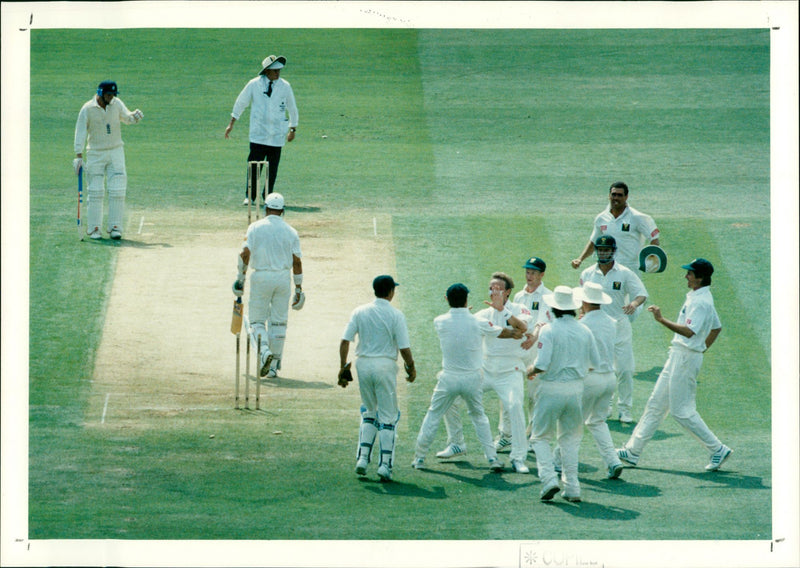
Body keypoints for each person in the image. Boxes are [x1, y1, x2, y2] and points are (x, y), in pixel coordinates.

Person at [617, 258, 732, 472]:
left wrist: (662, 320)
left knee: (681, 411)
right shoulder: (699, 297)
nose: (686, 276)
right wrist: (701, 348)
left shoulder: (701, 302)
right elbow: (716, 328)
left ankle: (717, 448)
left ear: (700, 277)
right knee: (655, 404)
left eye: (690, 273)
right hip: (681, 355)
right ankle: (633, 451)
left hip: (685, 357)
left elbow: (690, 332)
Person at [412, 283, 523, 473]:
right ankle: (492, 458)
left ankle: (419, 458)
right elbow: (510, 332)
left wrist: (464, 314)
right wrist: (523, 332)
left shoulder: (439, 321)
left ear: (447, 300)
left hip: (449, 378)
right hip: (472, 379)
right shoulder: (478, 322)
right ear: (466, 300)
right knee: (479, 417)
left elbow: (458, 323)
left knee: (433, 414)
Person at [437, 272, 532, 474]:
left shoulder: (519, 309)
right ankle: (456, 443)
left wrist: (503, 310)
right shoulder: (480, 315)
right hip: (485, 370)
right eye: (491, 288)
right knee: (449, 397)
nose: (493, 291)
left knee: (514, 406)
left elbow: (523, 329)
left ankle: (518, 458)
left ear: (507, 292)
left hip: (510, 370)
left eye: (497, 288)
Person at [339, 275, 416, 482]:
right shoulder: (396, 315)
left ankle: (363, 459)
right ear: (390, 291)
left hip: (363, 364)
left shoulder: (359, 311)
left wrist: (342, 367)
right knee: (389, 416)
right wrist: (411, 367)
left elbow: (345, 340)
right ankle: (384, 465)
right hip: (385, 366)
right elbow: (404, 347)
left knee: (370, 411)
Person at [528, 286, 600, 502]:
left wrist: (528, 372)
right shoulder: (585, 330)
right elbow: (595, 363)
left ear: (553, 308)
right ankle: (573, 488)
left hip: (551, 389)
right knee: (570, 440)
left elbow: (541, 364)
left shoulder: (548, 330)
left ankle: (549, 479)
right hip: (575, 390)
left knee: (539, 437)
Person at [233, 192, 303, 379]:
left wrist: (240, 279)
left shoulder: (254, 228)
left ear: (265, 209)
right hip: (283, 279)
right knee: (279, 323)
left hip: (261, 277)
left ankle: (264, 352)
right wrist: (298, 288)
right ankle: (273, 368)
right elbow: (297, 262)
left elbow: (244, 254)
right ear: (283, 211)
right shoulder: (291, 231)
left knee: (256, 322)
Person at [579, 235, 648, 423]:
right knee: (601, 369)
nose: (602, 253)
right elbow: (582, 299)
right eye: (600, 250)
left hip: (619, 326)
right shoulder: (587, 274)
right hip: (597, 329)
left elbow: (641, 293)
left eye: (606, 250)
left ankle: (625, 409)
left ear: (613, 251)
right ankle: (605, 406)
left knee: (625, 369)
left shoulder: (624, 273)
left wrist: (633, 303)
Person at [495, 256, 553, 453]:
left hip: (536, 352)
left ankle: (532, 436)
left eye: (534, 273)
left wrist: (533, 338)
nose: (529, 276)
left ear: (542, 275)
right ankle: (506, 435)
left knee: (534, 396)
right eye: (528, 272)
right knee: (510, 393)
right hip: (518, 350)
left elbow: (542, 322)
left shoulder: (548, 296)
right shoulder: (519, 296)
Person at [73, 80, 143, 240]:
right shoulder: (87, 109)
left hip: (116, 151)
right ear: (100, 93)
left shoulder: (116, 103)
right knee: (96, 191)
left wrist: (134, 117)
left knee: (118, 190)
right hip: (95, 153)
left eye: (113, 95)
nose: (111, 97)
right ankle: (94, 228)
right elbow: (81, 131)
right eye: (109, 94)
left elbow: (127, 118)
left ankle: (115, 227)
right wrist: (78, 155)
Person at [225, 55, 299, 205]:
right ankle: (250, 196)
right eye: (274, 70)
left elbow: (292, 107)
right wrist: (231, 123)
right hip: (258, 134)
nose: (278, 73)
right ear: (266, 71)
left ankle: (268, 197)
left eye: (279, 70)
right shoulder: (254, 84)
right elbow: (241, 102)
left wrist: (293, 128)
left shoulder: (285, 86)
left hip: (277, 135)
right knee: (254, 166)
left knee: (272, 170)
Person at [572, 282, 625, 480]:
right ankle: (613, 461)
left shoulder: (583, 325)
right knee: (597, 421)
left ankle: (559, 461)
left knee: (574, 424)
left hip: (591, 380)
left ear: (585, 301)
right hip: (609, 379)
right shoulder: (611, 321)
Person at [571, 181, 661, 273]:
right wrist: (580, 259)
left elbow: (654, 239)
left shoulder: (637, 217)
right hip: (608, 268)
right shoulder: (601, 218)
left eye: (620, 195)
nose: (616, 198)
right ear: (609, 196)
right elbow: (593, 242)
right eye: (614, 195)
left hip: (630, 269)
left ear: (626, 197)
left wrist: (650, 259)